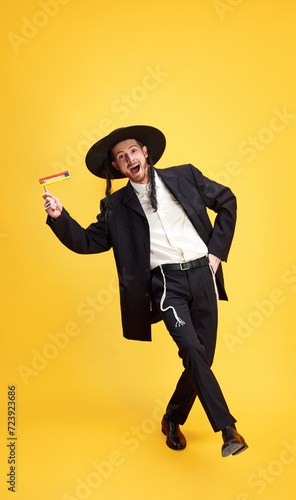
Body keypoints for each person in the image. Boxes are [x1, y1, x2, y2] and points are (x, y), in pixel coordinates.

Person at [42, 125, 248, 457]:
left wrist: (217, 252)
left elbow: (227, 200)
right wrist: (59, 216)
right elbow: (87, 241)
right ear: (118, 168)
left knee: (203, 358)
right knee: (192, 352)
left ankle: (172, 417)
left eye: (133, 151)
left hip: (203, 275)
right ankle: (228, 430)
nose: (129, 158)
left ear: (145, 152)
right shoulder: (116, 205)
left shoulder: (185, 176)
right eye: (121, 157)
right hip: (167, 285)